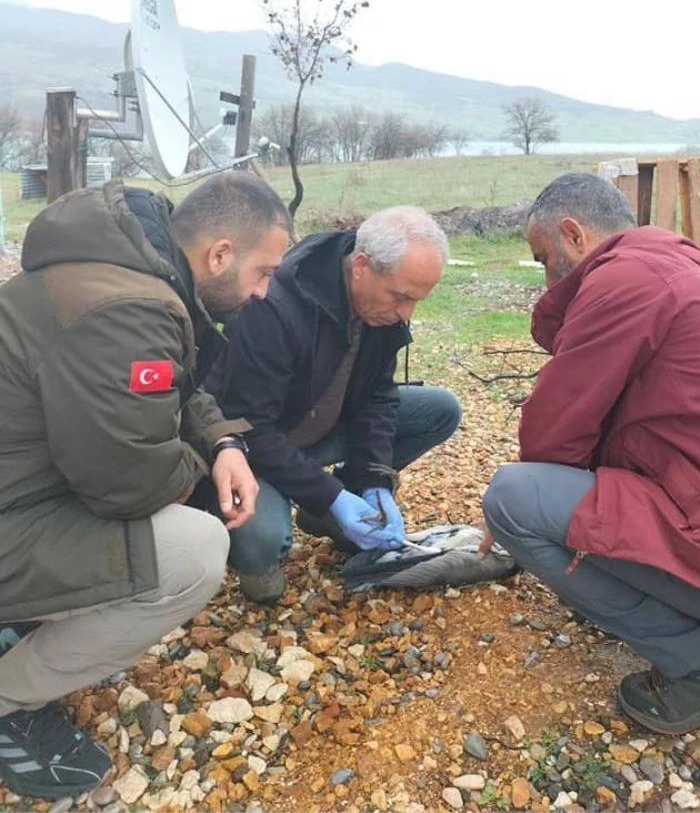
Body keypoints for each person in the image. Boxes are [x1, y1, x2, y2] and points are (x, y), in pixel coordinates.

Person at [0, 172, 291, 799]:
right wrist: (198, 475)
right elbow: (126, 484)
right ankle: (8, 695)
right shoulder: (129, 308)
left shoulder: (131, 266)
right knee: (193, 552)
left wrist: (222, 442)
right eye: (263, 272)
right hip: (12, 511)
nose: (266, 292)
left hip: (21, 487)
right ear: (219, 254)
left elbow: (175, 385)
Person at [481, 172, 700, 735]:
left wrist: (514, 515)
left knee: (511, 498)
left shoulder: (628, 281)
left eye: (542, 258)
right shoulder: (672, 271)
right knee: (551, 499)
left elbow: (550, 438)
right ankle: (699, 622)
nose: (545, 277)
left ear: (574, 235)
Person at [207, 205, 462, 604]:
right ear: (361, 265)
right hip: (253, 450)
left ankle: (329, 507)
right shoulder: (275, 305)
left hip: (320, 427)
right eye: (401, 297)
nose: (406, 314)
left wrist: (374, 479)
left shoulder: (380, 309)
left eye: (416, 301)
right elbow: (249, 427)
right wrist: (330, 495)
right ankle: (263, 555)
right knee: (265, 543)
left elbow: (378, 397)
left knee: (441, 410)